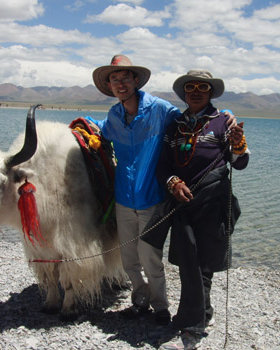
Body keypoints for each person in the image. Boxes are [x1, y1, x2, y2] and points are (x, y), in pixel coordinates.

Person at [144, 69, 250, 349]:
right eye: (191, 87)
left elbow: (238, 163)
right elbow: (164, 165)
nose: (196, 91)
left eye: (203, 87)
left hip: (213, 202)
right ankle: (201, 315)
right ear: (184, 92)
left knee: (205, 262)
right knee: (187, 261)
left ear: (211, 92)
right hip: (183, 201)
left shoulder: (223, 122)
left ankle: (193, 321)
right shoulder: (176, 125)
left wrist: (238, 144)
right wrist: (173, 182)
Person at [86, 54, 181, 326]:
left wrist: (227, 116)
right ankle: (140, 303)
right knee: (129, 259)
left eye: (124, 77)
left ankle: (161, 308)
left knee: (150, 258)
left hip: (152, 198)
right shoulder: (114, 115)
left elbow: (192, 120)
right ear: (110, 87)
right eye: (114, 79)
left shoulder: (160, 109)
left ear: (135, 80)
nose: (119, 83)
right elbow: (102, 131)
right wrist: (81, 124)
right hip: (124, 200)